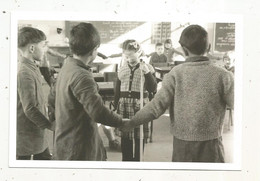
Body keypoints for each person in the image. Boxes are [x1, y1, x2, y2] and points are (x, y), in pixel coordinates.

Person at [121, 25, 234, 162]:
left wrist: (132, 122)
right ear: (209, 47)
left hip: (183, 147)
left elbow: (156, 107)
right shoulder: (224, 75)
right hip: (212, 146)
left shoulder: (175, 74)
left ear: (183, 50)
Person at [53, 22, 125, 161]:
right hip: (79, 147)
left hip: (65, 139)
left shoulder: (67, 66)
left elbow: (51, 98)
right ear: (94, 49)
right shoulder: (82, 75)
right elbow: (98, 112)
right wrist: (122, 122)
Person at [114, 39, 157, 161]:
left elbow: (153, 88)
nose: (128, 58)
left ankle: (138, 160)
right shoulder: (122, 68)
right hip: (124, 105)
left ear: (139, 53)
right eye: (126, 55)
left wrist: (148, 73)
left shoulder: (147, 68)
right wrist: (116, 104)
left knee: (139, 136)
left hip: (140, 105)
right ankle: (126, 160)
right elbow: (117, 89)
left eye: (131, 55)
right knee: (126, 136)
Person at [17, 27, 54, 160]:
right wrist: (50, 125)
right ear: (32, 49)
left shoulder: (32, 66)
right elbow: (30, 108)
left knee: (45, 159)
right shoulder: (24, 72)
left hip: (37, 132)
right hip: (27, 136)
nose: (45, 50)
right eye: (43, 45)